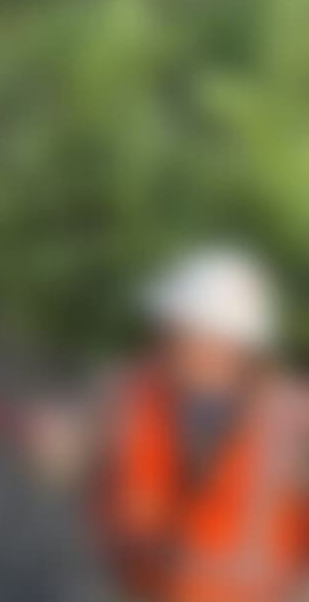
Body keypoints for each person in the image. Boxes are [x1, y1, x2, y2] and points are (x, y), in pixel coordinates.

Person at [91, 247, 308, 602]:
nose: (165, 342)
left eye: (180, 330)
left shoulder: (293, 423)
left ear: (230, 344)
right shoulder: (137, 397)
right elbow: (110, 497)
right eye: (168, 330)